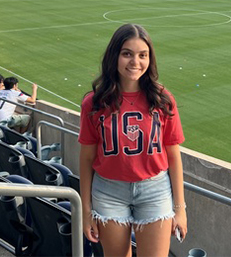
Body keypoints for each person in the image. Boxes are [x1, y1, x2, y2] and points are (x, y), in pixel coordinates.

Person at [78, 24, 187, 257]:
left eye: (142, 55)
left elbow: (174, 156)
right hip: (108, 191)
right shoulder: (94, 103)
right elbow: (86, 159)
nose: (135, 62)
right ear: (114, 56)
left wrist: (180, 209)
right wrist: (86, 211)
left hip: (154, 190)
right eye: (127, 53)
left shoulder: (162, 99)